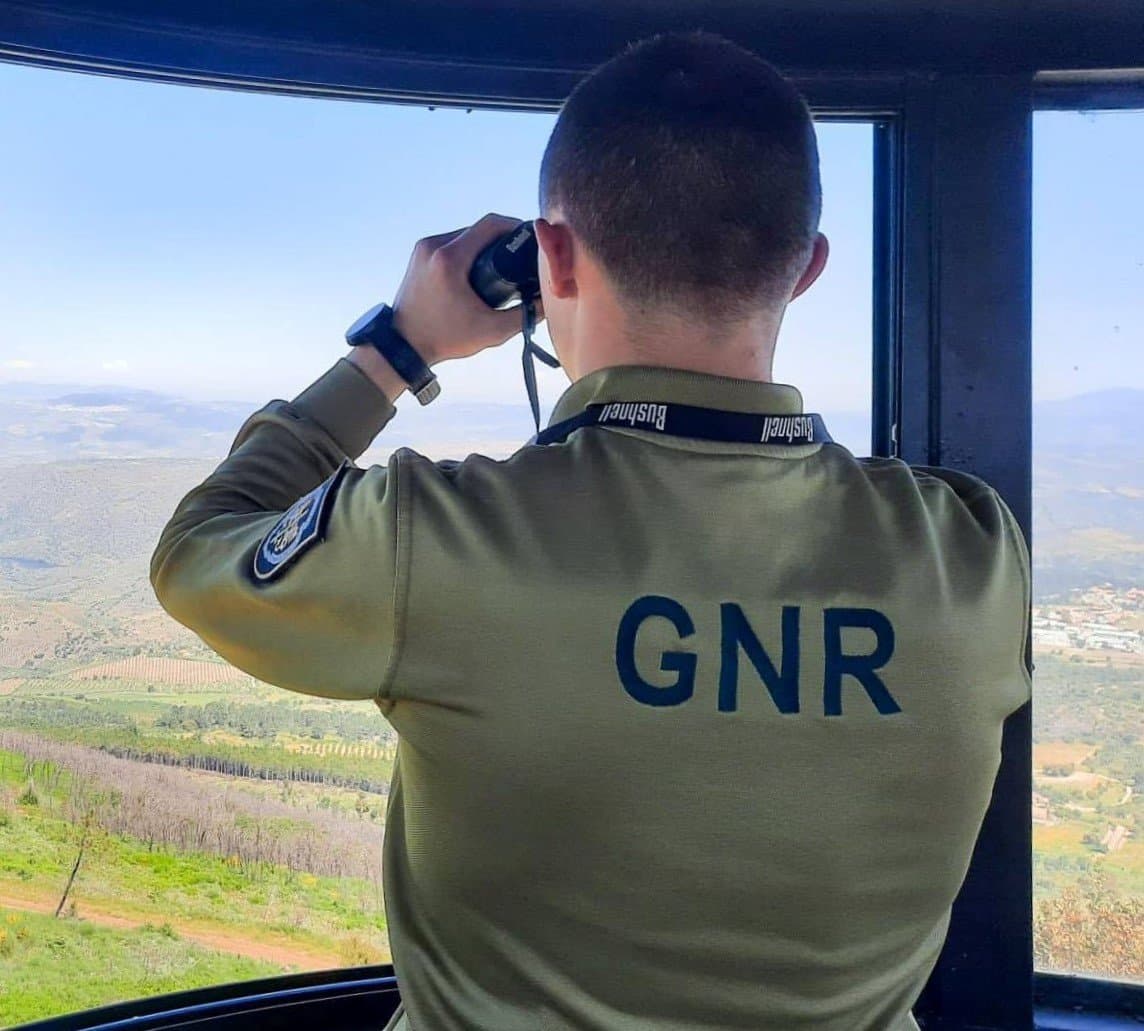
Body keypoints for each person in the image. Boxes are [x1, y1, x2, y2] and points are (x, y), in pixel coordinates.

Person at [151, 31, 1031, 1031]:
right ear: (806, 268)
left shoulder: (439, 538)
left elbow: (199, 548)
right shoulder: (971, 553)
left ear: (551, 257)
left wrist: (396, 346)